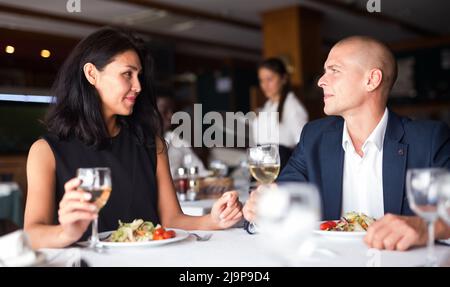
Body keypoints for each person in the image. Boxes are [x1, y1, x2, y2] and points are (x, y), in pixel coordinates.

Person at [24, 27, 242, 249]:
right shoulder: (46, 152)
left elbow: (171, 220)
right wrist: (66, 232)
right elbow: (32, 233)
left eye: (139, 76)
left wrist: (213, 220)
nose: (138, 86)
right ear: (91, 74)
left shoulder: (152, 144)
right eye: (127, 74)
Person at [243, 36, 450, 251]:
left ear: (371, 80)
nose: (321, 81)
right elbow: (283, 199)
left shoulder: (429, 140)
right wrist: (262, 208)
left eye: (334, 70)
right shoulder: (314, 137)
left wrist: (426, 226)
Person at [252, 58, 309, 169]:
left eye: (269, 79)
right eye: (261, 80)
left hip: (282, 168)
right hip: (261, 166)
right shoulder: (267, 106)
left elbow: (302, 145)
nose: (264, 85)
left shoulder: (293, 107)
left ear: (283, 79)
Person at [156, 94, 207, 178]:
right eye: (164, 111)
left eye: (172, 111)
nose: (171, 116)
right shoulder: (136, 145)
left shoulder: (176, 140)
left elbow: (199, 172)